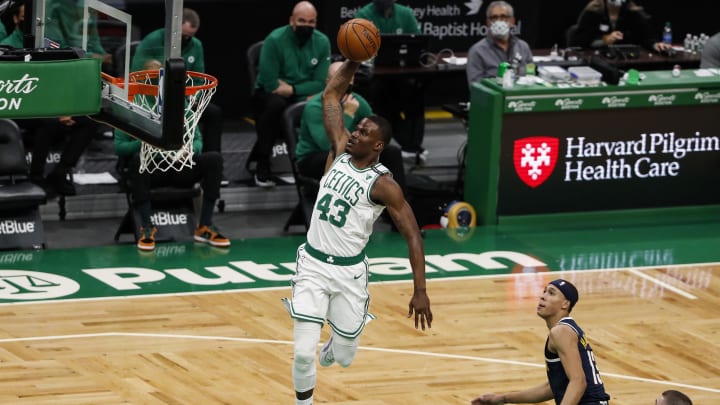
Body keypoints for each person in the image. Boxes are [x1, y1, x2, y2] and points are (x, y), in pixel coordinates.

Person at [282, 59, 432, 405]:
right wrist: (352, 61)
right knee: (304, 353)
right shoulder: (337, 149)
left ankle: (339, 342)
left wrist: (420, 290)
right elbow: (331, 95)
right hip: (314, 266)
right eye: (357, 128)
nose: (356, 133)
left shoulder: (384, 185)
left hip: (350, 273)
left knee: (346, 357)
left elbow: (412, 234)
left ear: (378, 146)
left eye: (364, 133)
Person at [471, 279, 610, 405]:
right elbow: (552, 388)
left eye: (551, 293)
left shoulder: (561, 332)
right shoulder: (565, 330)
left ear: (565, 304)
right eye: (544, 291)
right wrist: (502, 398)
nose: (543, 296)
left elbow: (578, 382)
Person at [248, 1, 331, 188]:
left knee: (323, 102)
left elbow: (320, 83)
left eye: (311, 22)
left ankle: (315, 166)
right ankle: (262, 166)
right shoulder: (275, 39)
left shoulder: (322, 41)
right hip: (269, 94)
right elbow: (270, 83)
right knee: (276, 106)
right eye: (302, 21)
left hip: (296, 94)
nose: (306, 26)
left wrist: (293, 90)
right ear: (292, 21)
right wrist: (303, 90)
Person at [296, 61, 406, 195]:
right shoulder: (315, 106)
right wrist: (347, 114)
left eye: (349, 78)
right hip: (313, 157)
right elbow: (328, 144)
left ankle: (397, 202)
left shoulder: (357, 100)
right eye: (340, 79)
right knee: (346, 158)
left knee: (391, 152)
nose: (346, 83)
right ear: (328, 82)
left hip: (349, 151)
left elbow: (377, 129)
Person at [131, 8, 225, 164]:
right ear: (173, 29)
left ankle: (210, 161)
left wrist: (195, 98)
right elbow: (136, 70)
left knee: (214, 113)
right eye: (183, 35)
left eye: (190, 37)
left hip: (183, 98)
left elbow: (199, 79)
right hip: (153, 98)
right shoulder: (153, 40)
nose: (186, 39)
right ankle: (139, 161)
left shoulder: (196, 45)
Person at [113, 124, 230, 251]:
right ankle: (147, 228)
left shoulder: (180, 105)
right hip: (151, 170)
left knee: (214, 159)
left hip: (179, 167)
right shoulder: (130, 107)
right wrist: (143, 144)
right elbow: (119, 147)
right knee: (138, 161)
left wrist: (190, 149)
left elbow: (197, 140)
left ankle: (205, 226)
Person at [356, 0, 428, 163]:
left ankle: (413, 146)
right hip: (376, 78)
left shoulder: (405, 14)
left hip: (402, 74)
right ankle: (408, 144)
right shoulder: (364, 15)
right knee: (383, 97)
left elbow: (418, 44)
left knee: (416, 93)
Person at [466, 1, 533, 84]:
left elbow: (531, 78)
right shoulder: (477, 51)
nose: (499, 22)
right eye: (494, 17)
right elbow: (475, 87)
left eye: (503, 17)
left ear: (512, 21)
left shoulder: (523, 47)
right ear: (488, 23)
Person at [569, 0, 673, 53]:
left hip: (626, 60)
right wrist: (605, 40)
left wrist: (655, 44)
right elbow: (579, 42)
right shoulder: (593, 11)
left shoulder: (633, 12)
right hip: (597, 60)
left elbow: (646, 36)